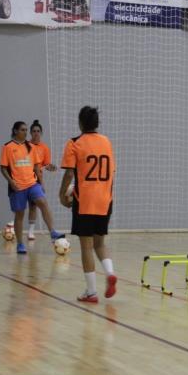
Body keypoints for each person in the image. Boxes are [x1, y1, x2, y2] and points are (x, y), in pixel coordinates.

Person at [59, 106, 118, 303]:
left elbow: (69, 173)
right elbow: (112, 173)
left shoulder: (75, 143)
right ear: (97, 123)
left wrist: (62, 195)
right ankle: (110, 272)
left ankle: (91, 292)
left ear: (80, 123)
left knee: (86, 246)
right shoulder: (107, 142)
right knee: (99, 243)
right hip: (105, 199)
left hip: (85, 200)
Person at [0, 121, 62, 254]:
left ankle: (52, 232)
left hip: (32, 184)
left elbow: (37, 167)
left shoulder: (31, 147)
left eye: (26, 130)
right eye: (23, 130)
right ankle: (20, 244)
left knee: (43, 202)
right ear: (16, 131)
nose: (25, 132)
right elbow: (3, 168)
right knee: (20, 214)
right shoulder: (8, 147)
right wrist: (11, 182)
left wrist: (41, 183)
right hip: (17, 187)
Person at [27, 120, 57, 241]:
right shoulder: (26, 146)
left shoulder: (44, 148)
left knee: (35, 205)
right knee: (20, 208)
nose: (36, 133)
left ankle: (31, 232)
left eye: (38, 131)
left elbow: (45, 165)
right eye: (34, 131)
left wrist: (51, 167)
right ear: (30, 133)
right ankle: (13, 226)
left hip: (37, 180)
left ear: (41, 133)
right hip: (24, 178)